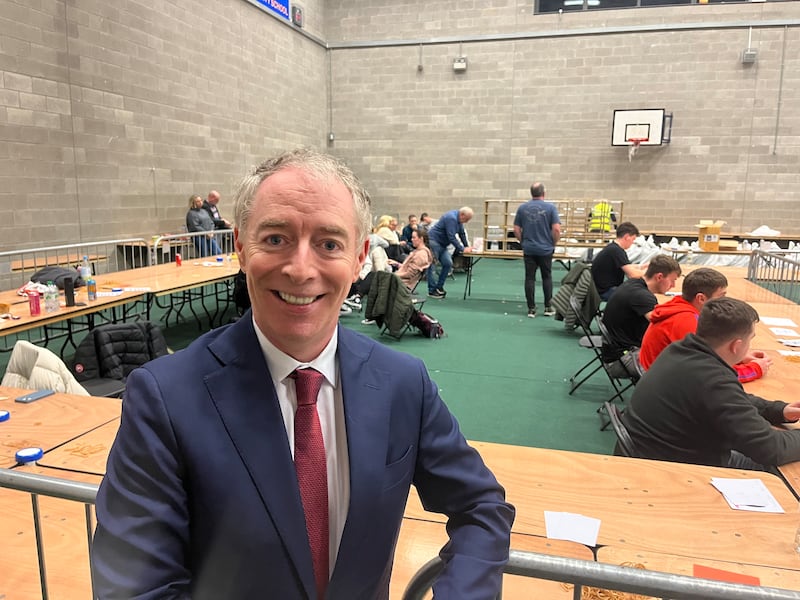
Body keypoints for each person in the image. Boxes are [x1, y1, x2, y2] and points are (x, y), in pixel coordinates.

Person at [92, 149, 514, 599]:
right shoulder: (165, 398)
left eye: (329, 244)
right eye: (275, 239)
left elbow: (482, 507)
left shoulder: (402, 382)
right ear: (240, 247)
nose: (300, 269)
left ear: (359, 258)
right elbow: (135, 590)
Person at [622, 297, 800, 470]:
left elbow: (732, 399)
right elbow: (771, 449)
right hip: (679, 470)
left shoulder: (680, 350)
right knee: (783, 468)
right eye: (750, 339)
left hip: (652, 454)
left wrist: (779, 410)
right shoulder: (713, 380)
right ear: (736, 346)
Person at [639, 268, 772, 382]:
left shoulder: (680, 307)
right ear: (701, 298)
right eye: (721, 296)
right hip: (667, 382)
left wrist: (740, 357)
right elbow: (709, 373)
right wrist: (754, 370)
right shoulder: (685, 321)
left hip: (657, 375)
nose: (724, 301)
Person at [601, 254, 682, 379]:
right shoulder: (642, 296)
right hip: (621, 361)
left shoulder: (633, 284)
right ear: (659, 277)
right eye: (672, 280)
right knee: (681, 363)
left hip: (616, 353)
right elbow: (664, 327)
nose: (673, 285)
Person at [513, 181, 561, 318]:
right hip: (546, 248)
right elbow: (556, 229)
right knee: (547, 277)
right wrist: (553, 243)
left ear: (531, 193)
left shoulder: (522, 208)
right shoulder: (551, 208)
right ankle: (548, 307)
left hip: (529, 248)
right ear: (544, 193)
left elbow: (516, 229)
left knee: (529, 278)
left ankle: (531, 309)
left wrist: (523, 242)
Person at [590, 221, 646, 301]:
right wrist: (650, 272)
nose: (633, 242)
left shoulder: (613, 248)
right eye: (633, 239)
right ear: (627, 237)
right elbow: (632, 275)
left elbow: (627, 266)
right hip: (605, 291)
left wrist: (642, 266)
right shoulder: (616, 251)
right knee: (637, 297)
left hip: (601, 288)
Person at [427, 207, 473, 298]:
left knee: (448, 263)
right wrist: (462, 249)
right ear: (462, 215)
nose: (467, 222)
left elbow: (462, 233)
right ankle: (432, 290)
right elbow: (451, 236)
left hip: (443, 244)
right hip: (434, 241)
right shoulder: (451, 218)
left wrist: (467, 246)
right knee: (432, 266)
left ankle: (439, 287)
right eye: (467, 219)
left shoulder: (459, 219)